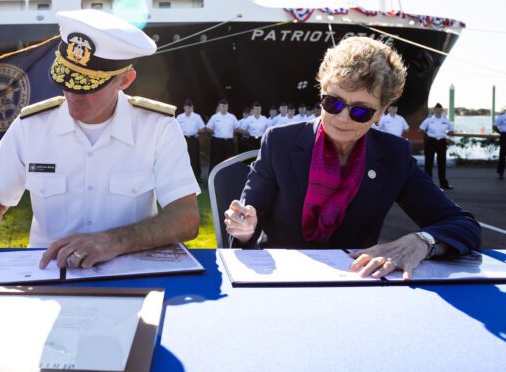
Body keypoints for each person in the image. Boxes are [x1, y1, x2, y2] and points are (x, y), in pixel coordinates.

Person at [0, 9, 201, 269]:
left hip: (128, 270)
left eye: (87, 85)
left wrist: (113, 242)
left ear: (125, 80)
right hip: (48, 272)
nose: (73, 94)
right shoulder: (31, 126)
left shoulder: (156, 127)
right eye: (66, 79)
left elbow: (185, 216)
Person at [224, 37, 481, 280]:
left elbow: (463, 225)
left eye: (360, 111)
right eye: (333, 103)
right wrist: (244, 228)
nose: (343, 118)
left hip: (356, 280)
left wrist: (422, 241)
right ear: (321, 94)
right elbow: (248, 222)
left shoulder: (394, 155)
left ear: (381, 113)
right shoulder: (279, 142)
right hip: (280, 276)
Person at [419, 103, 455, 190]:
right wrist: (428, 136)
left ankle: (444, 184)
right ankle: (428, 183)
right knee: (429, 163)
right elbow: (421, 129)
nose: (438, 112)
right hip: (431, 141)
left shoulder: (446, 120)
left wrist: (445, 134)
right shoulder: (429, 120)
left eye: (440, 110)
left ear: (442, 111)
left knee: (442, 163)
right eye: (436, 110)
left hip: (442, 141)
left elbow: (451, 131)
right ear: (434, 111)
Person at [206, 99, 239, 170]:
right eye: (222, 106)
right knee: (216, 160)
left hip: (229, 142)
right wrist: (214, 132)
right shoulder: (214, 117)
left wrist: (230, 133)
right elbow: (208, 128)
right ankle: (213, 177)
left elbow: (236, 128)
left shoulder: (232, 117)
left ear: (228, 107)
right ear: (219, 107)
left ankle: (229, 177)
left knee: (229, 160)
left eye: (225, 106)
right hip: (217, 142)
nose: (224, 108)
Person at [176, 99, 206, 180]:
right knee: (183, 158)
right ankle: (182, 177)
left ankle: (197, 176)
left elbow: (203, 128)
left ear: (192, 107)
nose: (188, 109)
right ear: (184, 108)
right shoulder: (179, 117)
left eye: (190, 107)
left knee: (195, 158)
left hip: (193, 139)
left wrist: (196, 131)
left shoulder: (197, 117)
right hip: (183, 139)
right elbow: (175, 129)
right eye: (187, 107)